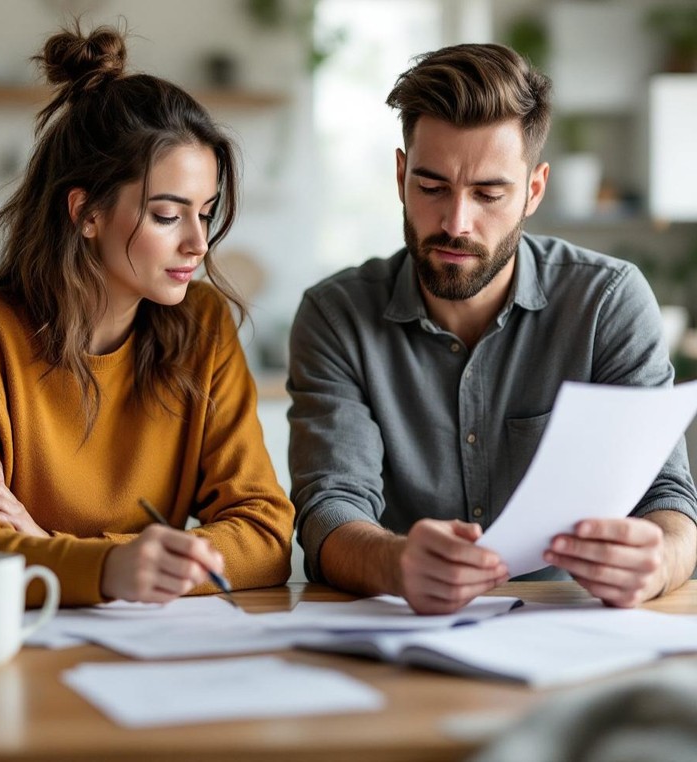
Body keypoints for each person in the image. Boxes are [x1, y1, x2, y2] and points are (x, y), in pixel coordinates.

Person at [287, 43, 697, 615]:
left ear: (534, 190)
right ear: (401, 175)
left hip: (570, 625)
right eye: (431, 188)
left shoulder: (606, 302)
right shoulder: (336, 316)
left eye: (488, 194)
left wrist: (659, 560)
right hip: (403, 629)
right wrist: (394, 561)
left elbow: (667, 494)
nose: (456, 223)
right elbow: (330, 506)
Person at [0, 22, 294, 607]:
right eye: (167, 215)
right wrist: (111, 566)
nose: (198, 244)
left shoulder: (204, 325)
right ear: (86, 213)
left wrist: (51, 547)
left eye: (205, 213)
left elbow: (265, 535)